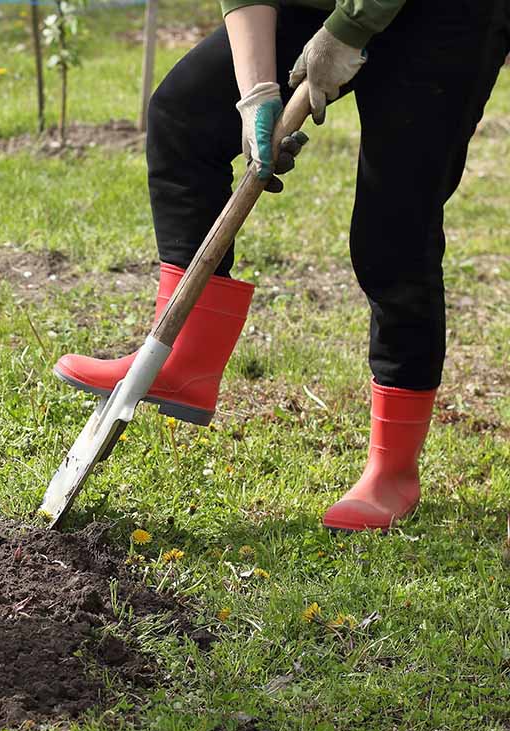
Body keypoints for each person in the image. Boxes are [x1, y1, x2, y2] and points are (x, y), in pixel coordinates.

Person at [54, 0, 510, 531]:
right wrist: (256, 94)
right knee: (186, 117)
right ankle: (181, 362)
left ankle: (392, 472)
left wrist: (348, 29)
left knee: (393, 231)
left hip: (448, 17)